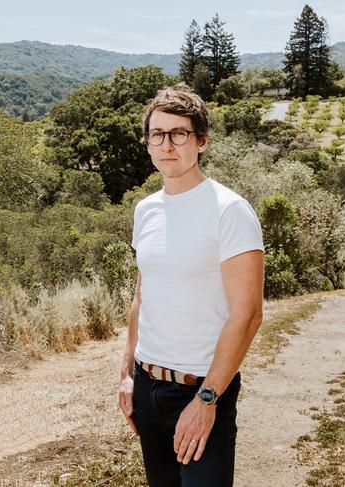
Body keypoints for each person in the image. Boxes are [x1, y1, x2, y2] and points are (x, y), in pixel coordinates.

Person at [118, 83, 265, 487]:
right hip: (147, 388)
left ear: (201, 141)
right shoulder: (145, 210)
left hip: (201, 390)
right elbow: (143, 295)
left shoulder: (229, 211)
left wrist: (207, 399)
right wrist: (128, 373)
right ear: (147, 142)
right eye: (157, 134)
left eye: (179, 133)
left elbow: (248, 314)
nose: (167, 144)